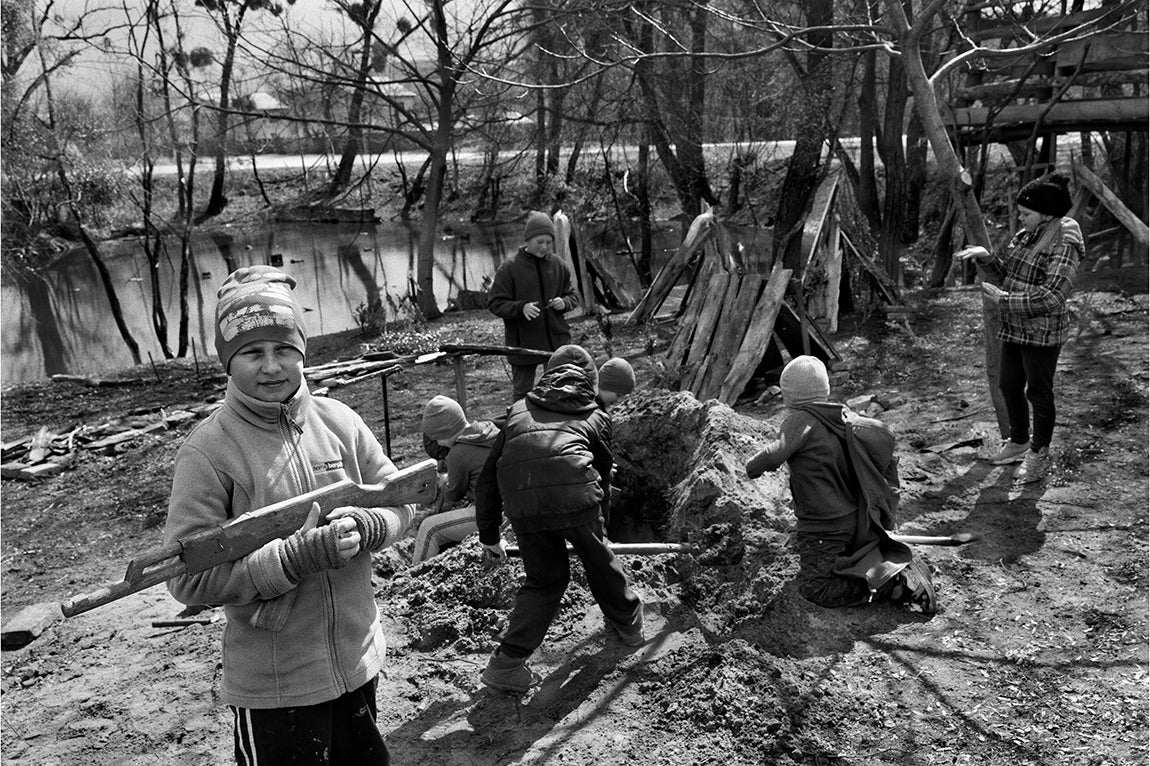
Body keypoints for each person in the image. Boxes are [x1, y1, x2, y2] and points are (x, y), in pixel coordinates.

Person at [164, 266, 413, 765]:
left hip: (358, 661)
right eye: (253, 353)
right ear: (228, 363)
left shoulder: (339, 421)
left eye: (285, 350)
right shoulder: (208, 452)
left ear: (303, 352)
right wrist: (291, 560)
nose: (272, 366)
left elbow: (402, 501)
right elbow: (188, 581)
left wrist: (369, 526)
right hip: (276, 683)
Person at [474, 344, 645, 693]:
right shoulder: (595, 415)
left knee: (545, 580)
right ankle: (629, 625)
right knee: (599, 561)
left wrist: (488, 534)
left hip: (523, 504)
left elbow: (488, 478)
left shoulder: (518, 411)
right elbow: (601, 476)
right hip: (575, 499)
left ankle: (505, 664)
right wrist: (602, 529)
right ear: (590, 380)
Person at [745, 355, 936, 613]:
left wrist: (751, 468)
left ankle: (893, 582)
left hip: (825, 525)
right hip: (853, 517)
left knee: (816, 588)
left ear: (788, 396)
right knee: (832, 557)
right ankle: (895, 567)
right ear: (825, 389)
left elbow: (772, 456)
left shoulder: (800, 420)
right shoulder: (842, 415)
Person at [956, 171, 1083, 484]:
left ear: (1046, 213)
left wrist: (1004, 300)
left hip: (1042, 331)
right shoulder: (1027, 235)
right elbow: (1010, 275)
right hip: (1015, 327)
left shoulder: (1065, 243)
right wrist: (987, 259)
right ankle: (1018, 441)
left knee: (1039, 392)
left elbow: (1052, 296)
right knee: (1009, 384)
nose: (1020, 217)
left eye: (1025, 213)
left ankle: (1039, 455)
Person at [487, 211, 581, 401]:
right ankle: (520, 426)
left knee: (559, 390)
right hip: (522, 346)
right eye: (540, 242)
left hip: (556, 343)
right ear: (528, 240)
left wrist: (564, 303)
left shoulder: (559, 265)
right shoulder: (509, 268)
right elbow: (495, 303)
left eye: (548, 242)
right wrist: (521, 308)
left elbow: (573, 295)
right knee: (522, 394)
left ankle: (555, 426)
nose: (544, 247)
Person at [411, 395, 500, 564]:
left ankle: (412, 580)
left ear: (445, 433)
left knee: (429, 528)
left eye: (436, 438)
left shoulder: (458, 453)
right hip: (509, 507)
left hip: (490, 515)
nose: (438, 443)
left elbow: (454, 494)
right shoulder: (488, 429)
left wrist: (443, 481)